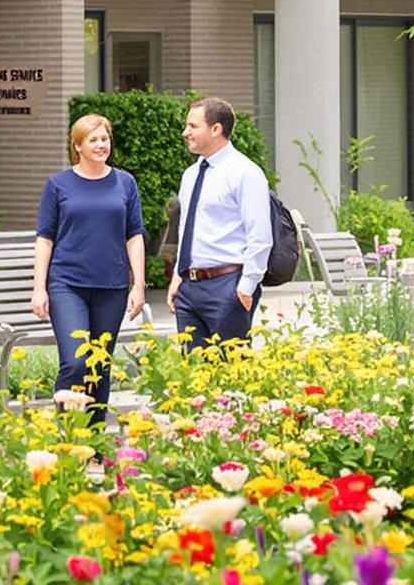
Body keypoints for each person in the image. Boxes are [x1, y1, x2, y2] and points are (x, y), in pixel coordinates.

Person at [31, 113, 147, 407]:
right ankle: (68, 437)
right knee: (75, 361)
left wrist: (139, 285)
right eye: (93, 140)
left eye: (104, 138)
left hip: (112, 286)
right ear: (78, 146)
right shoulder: (58, 184)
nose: (100, 145)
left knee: (100, 365)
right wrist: (39, 287)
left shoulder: (125, 183)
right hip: (67, 285)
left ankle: (93, 446)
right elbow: (45, 238)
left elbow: (134, 236)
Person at [170, 96, 272, 348]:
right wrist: (177, 276)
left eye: (193, 126)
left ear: (215, 129)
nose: (186, 133)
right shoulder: (191, 174)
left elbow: (260, 236)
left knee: (230, 375)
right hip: (189, 288)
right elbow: (186, 230)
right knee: (195, 376)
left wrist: (246, 288)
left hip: (228, 286)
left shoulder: (245, 173)